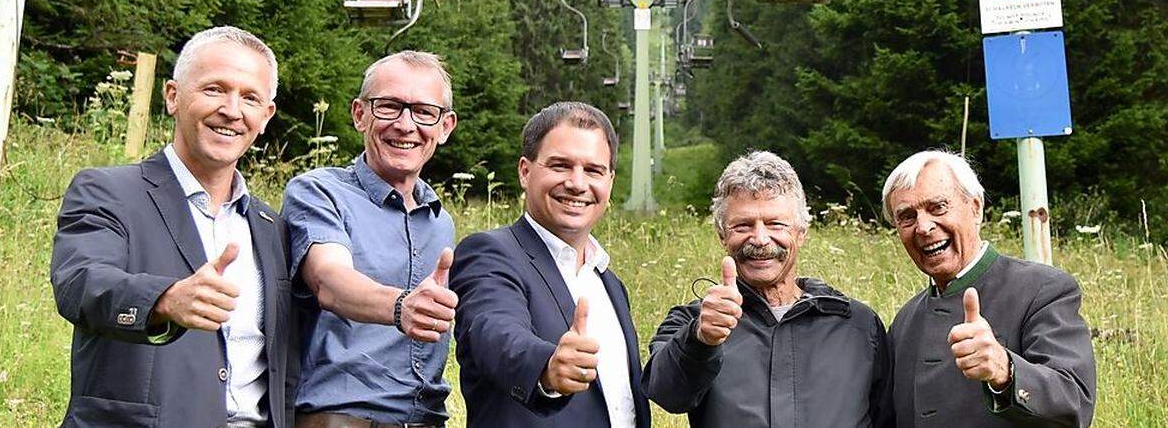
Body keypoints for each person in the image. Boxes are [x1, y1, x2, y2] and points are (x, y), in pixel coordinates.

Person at [51, 26, 295, 427]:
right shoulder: (107, 191)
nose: (232, 110)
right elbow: (81, 284)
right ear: (172, 96)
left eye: (250, 97)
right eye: (214, 89)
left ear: (265, 116)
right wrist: (164, 300)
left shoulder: (272, 227)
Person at [641, 150, 893, 427]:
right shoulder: (694, 322)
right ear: (722, 235)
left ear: (801, 232)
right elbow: (668, 395)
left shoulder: (857, 324)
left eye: (775, 224)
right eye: (743, 225)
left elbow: (887, 418)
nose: (760, 239)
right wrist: (702, 340)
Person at [282, 51, 459, 428]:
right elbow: (330, 280)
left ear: (445, 127)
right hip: (341, 418)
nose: (405, 125)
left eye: (423, 112)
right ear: (360, 114)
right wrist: (401, 307)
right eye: (389, 106)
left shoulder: (441, 223)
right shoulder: (319, 192)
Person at [449, 102, 651, 428]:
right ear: (525, 172)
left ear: (610, 182)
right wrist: (546, 366)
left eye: (593, 170)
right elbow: (494, 332)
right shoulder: (489, 255)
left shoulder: (610, 283)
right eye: (560, 165)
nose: (577, 183)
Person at [882, 150, 1096, 427]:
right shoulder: (903, 322)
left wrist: (1005, 371)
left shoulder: (1043, 291)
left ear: (975, 208)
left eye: (938, 207)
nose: (923, 227)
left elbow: (1075, 405)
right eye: (907, 216)